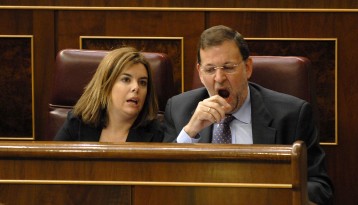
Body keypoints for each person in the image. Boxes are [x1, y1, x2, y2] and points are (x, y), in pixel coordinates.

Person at [163, 25, 333, 204]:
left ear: (248, 68)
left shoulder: (292, 115)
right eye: (210, 69)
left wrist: (273, 197)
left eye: (228, 68)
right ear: (200, 72)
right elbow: (159, 182)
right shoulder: (178, 110)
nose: (219, 78)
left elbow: (319, 187)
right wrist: (190, 133)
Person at [54, 47, 163, 142]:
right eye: (126, 79)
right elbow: (53, 164)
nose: (136, 87)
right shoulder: (77, 123)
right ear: (106, 85)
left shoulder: (157, 132)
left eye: (142, 82)